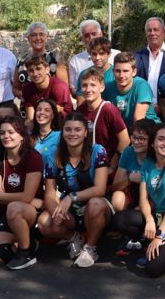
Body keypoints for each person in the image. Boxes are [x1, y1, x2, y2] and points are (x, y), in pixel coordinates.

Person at [113, 124, 165, 277]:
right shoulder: (148, 163)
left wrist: (159, 235)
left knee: (153, 269)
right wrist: (149, 220)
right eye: (161, 139)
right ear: (153, 143)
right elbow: (143, 199)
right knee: (119, 220)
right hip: (156, 216)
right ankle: (148, 243)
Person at [36, 112, 111, 268]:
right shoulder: (52, 155)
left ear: (85, 132)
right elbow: (49, 193)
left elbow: (100, 189)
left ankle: (90, 248)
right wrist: (55, 212)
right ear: (62, 133)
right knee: (44, 222)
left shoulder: (98, 151)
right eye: (68, 129)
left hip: (93, 204)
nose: (72, 134)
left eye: (77, 130)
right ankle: (73, 237)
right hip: (70, 209)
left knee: (96, 205)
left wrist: (71, 197)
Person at [0, 116, 44, 269]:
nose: (6, 136)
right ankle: (27, 240)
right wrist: (0, 196)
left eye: (11, 132)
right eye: (2, 132)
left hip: (32, 211)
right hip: (11, 210)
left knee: (14, 207)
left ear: (22, 135)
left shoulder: (33, 157)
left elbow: (26, 196)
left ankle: (26, 253)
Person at [76, 67, 129, 174]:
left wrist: (112, 166)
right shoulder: (80, 109)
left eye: (93, 85)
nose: (88, 89)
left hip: (106, 166)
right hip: (87, 165)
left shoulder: (109, 110)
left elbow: (125, 140)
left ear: (102, 87)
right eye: (84, 85)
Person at [13, 22, 69, 99]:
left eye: (41, 34)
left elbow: (65, 88)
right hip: (27, 106)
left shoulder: (55, 59)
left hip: (51, 107)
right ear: (28, 38)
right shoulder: (21, 60)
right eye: (33, 35)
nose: (38, 38)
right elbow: (15, 88)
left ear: (46, 37)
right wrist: (24, 94)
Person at [104, 52, 160, 126]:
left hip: (149, 131)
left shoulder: (141, 85)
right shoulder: (108, 87)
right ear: (113, 71)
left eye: (125, 71)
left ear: (134, 72)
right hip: (123, 131)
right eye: (118, 71)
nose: (121, 75)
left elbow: (138, 119)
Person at [68, 20, 120, 96]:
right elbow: (74, 89)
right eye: (86, 35)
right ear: (82, 38)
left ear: (101, 33)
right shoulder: (75, 61)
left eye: (94, 34)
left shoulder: (116, 55)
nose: (91, 38)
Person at [21, 56, 72, 128]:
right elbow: (30, 118)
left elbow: (56, 115)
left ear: (47, 69)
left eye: (38, 69)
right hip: (40, 124)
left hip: (64, 125)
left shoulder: (59, 86)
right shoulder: (27, 88)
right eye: (31, 70)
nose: (35, 74)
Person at [134, 17, 165, 110]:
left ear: (164, 32)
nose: (152, 33)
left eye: (156, 30)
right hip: (142, 110)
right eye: (149, 30)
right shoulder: (137, 56)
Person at [75, 37, 117, 105]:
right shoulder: (84, 74)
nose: (97, 58)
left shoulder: (117, 74)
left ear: (109, 54)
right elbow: (81, 103)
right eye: (94, 54)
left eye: (101, 53)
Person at [29, 98, 62, 172]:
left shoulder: (60, 136)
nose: (41, 112)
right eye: (39, 109)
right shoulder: (29, 137)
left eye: (46, 110)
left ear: (53, 115)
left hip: (53, 181)